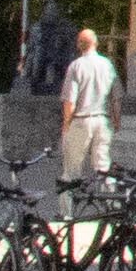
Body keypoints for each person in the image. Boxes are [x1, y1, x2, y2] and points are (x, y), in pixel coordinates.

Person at [54, 21, 121, 199]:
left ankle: (67, 212)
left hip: (81, 121)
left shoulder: (76, 66)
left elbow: (70, 101)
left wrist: (66, 124)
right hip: (103, 120)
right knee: (103, 167)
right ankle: (111, 207)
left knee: (72, 169)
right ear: (96, 43)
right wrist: (116, 120)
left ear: (79, 45)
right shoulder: (108, 65)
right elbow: (116, 97)